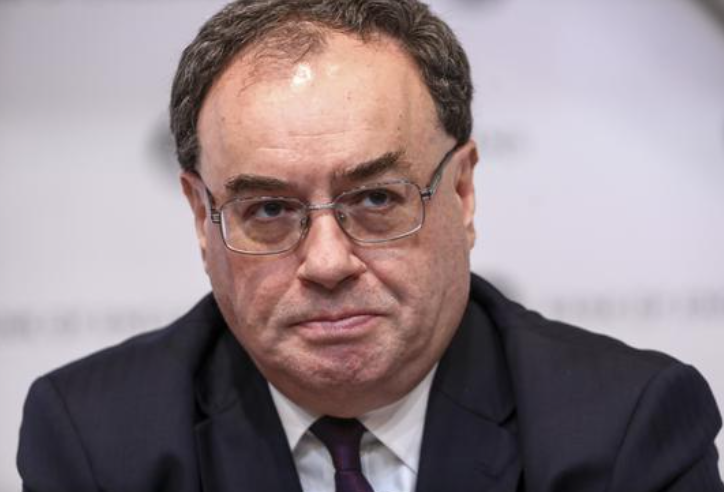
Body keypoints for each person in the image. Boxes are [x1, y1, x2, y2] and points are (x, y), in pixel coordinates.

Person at [17, 0, 724, 491]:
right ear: (203, 220)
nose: (327, 263)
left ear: (462, 192)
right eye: (269, 209)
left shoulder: (624, 430)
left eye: (377, 199)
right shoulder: (97, 442)